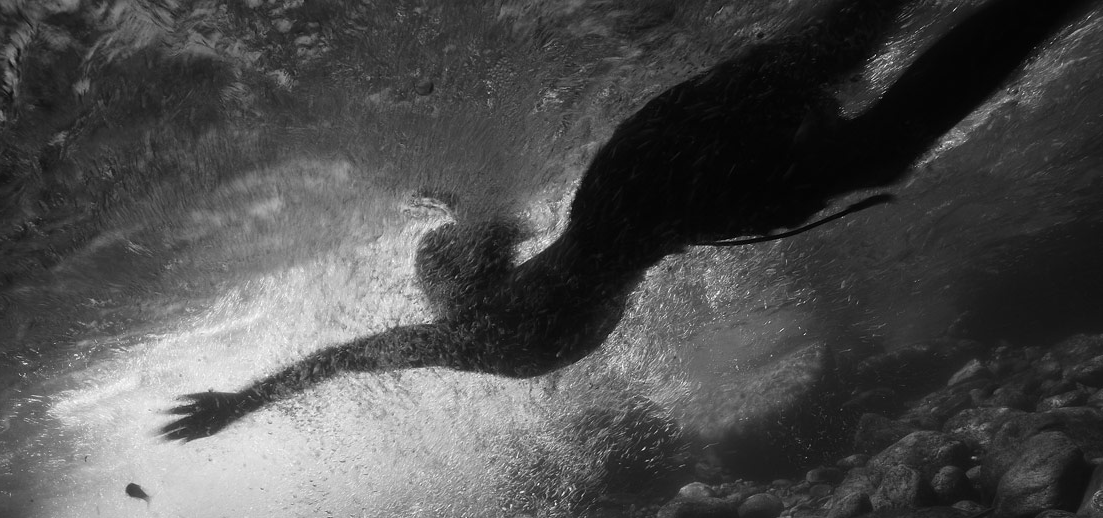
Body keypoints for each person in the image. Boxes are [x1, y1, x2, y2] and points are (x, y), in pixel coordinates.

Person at [161, 0, 1089, 442]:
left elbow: (342, 362)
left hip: (684, 202)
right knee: (846, 45)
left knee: (875, 138)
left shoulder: (477, 341)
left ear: (461, 291)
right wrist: (240, 400)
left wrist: (240, 403)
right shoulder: (493, 308)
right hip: (640, 167)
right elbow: (348, 356)